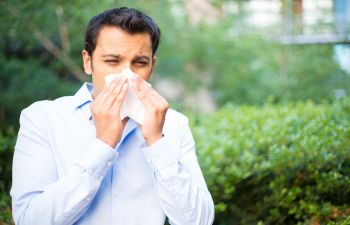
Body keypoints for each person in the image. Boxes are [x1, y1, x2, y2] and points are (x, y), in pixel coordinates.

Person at [10, 7, 214, 225]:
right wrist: (103, 145)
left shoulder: (174, 124)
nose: (127, 75)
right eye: (112, 61)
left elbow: (199, 221)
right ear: (88, 62)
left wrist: (157, 142)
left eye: (140, 63)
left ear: (152, 66)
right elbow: (29, 220)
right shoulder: (42, 119)